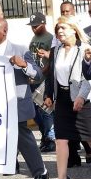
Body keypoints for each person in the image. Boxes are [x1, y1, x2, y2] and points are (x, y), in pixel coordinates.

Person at [0, 18, 49, 179]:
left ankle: (41, 172)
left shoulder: (20, 49)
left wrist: (23, 65)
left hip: (15, 103)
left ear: (4, 32)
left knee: (23, 138)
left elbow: (38, 75)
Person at [44, 18, 91, 179]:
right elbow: (51, 75)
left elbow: (88, 78)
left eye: (64, 28)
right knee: (61, 140)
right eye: (58, 29)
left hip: (81, 98)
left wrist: (81, 97)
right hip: (63, 99)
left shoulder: (85, 50)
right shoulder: (55, 50)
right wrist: (48, 95)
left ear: (74, 30)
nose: (60, 32)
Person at [27, 12, 56, 152]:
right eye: (32, 26)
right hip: (33, 78)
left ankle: (50, 139)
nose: (33, 29)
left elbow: (52, 60)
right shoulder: (33, 38)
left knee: (45, 111)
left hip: (44, 79)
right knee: (34, 112)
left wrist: (41, 73)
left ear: (44, 24)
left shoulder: (50, 38)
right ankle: (45, 136)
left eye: (36, 26)